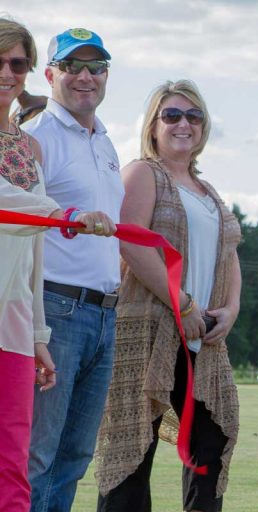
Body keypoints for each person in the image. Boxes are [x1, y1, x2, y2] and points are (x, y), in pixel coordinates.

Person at [94, 80, 241, 512]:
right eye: (172, 115)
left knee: (210, 447)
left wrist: (230, 309)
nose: (183, 124)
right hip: (146, 333)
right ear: (153, 125)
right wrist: (182, 303)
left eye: (193, 116)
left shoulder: (207, 190)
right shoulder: (143, 172)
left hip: (204, 341)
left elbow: (229, 255)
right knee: (132, 458)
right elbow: (132, 243)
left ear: (204, 127)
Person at [0, 18, 115, 511]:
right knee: (32, 460)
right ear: (51, 75)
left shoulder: (91, 143)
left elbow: (33, 246)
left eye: (96, 66)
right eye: (71, 65)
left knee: (50, 460)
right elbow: (17, 212)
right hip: (58, 303)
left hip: (50, 319)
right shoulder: (38, 137)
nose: (85, 76)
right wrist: (65, 216)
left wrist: (38, 335)